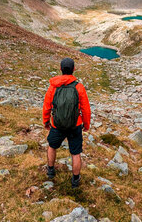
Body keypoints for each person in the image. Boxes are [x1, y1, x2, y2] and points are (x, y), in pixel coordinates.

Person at [42, 57, 91, 188]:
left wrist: (46, 121)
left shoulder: (53, 86)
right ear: (74, 69)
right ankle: (75, 180)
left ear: (60, 69)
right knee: (75, 152)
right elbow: (86, 108)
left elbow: (47, 106)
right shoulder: (79, 87)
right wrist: (86, 124)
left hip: (57, 124)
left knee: (52, 146)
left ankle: (51, 170)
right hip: (75, 125)